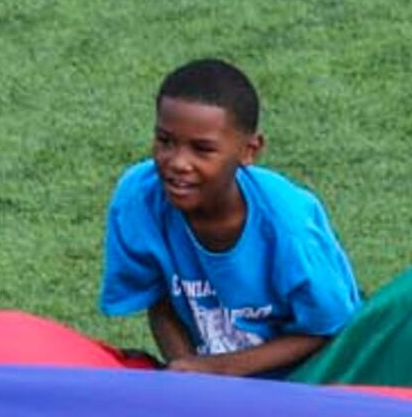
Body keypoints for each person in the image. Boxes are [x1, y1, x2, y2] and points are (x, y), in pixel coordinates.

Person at [100, 59, 360, 376]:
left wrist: (219, 370)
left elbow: (328, 329)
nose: (178, 162)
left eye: (202, 149)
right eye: (165, 141)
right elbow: (159, 301)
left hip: (309, 382)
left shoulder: (289, 227)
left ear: (249, 150)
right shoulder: (139, 199)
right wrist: (188, 372)